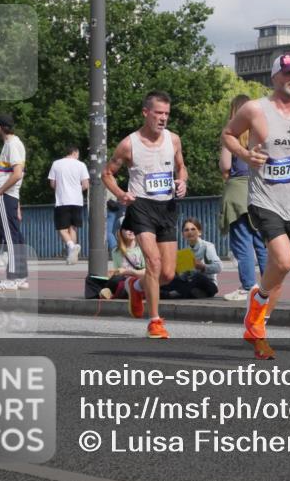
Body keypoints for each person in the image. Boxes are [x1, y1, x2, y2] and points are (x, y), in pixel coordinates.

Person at [221, 54, 290, 359]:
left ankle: (259, 330)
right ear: (275, 76)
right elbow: (228, 135)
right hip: (264, 199)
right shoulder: (255, 109)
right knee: (284, 261)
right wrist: (245, 155)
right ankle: (257, 302)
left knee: (278, 271)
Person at [103, 91, 189, 339]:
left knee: (168, 274)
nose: (163, 118)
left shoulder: (173, 140)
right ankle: (155, 321)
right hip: (141, 206)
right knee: (153, 262)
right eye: (158, 113)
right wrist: (121, 194)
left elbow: (181, 167)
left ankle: (136, 286)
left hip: (166, 207)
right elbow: (107, 173)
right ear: (145, 113)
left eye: (166, 114)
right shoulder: (129, 144)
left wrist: (182, 181)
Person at [219, 94, 268, 301]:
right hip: (259, 190)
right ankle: (269, 287)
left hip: (238, 191)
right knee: (261, 242)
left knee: (242, 241)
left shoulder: (232, 134)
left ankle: (248, 286)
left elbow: (225, 166)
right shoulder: (261, 134)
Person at [0, 114, 30, 291]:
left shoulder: (12, 145)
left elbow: (17, 173)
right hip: (10, 196)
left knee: (10, 237)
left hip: (5, 196)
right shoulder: (13, 144)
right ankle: (21, 277)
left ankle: (12, 278)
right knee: (15, 236)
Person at [48, 146, 90, 265]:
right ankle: (73, 257)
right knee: (73, 228)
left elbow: (52, 184)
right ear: (75, 152)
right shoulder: (81, 165)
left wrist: (62, 188)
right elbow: (86, 185)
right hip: (77, 201)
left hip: (62, 200)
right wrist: (76, 190)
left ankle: (71, 246)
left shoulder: (56, 164)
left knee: (61, 228)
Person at [180, 217, 222, 286]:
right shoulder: (185, 251)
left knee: (197, 278)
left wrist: (203, 267)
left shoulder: (207, 246)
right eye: (186, 230)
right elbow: (184, 276)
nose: (190, 232)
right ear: (183, 234)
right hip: (192, 283)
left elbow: (219, 267)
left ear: (199, 232)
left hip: (208, 283)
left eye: (193, 229)